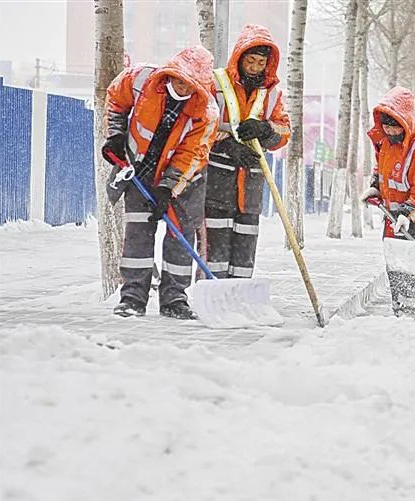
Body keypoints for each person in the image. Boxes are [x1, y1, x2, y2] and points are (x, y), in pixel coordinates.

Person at [102, 46, 218, 319]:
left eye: (190, 84)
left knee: (180, 236)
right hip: (139, 171)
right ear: (170, 72)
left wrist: (168, 188)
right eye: (179, 79)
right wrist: (116, 135)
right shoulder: (141, 79)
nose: (182, 86)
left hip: (184, 181)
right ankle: (132, 298)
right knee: (138, 235)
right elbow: (115, 99)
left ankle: (174, 299)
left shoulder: (206, 112)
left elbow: (192, 155)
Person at [204, 24, 290, 279]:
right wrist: (226, 144)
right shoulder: (215, 84)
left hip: (251, 183)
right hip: (218, 181)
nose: (254, 67)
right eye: (250, 61)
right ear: (239, 57)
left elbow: (284, 132)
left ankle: (241, 291)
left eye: (260, 63)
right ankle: (213, 290)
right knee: (215, 247)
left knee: (245, 246)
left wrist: (265, 129)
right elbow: (199, 124)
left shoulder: (272, 94)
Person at [360, 86, 415, 317]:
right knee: (396, 265)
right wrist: (376, 187)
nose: (389, 129)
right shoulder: (386, 142)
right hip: (395, 215)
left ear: (406, 121)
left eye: (395, 125)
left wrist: (408, 215)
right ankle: (400, 310)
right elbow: (382, 169)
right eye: (386, 125)